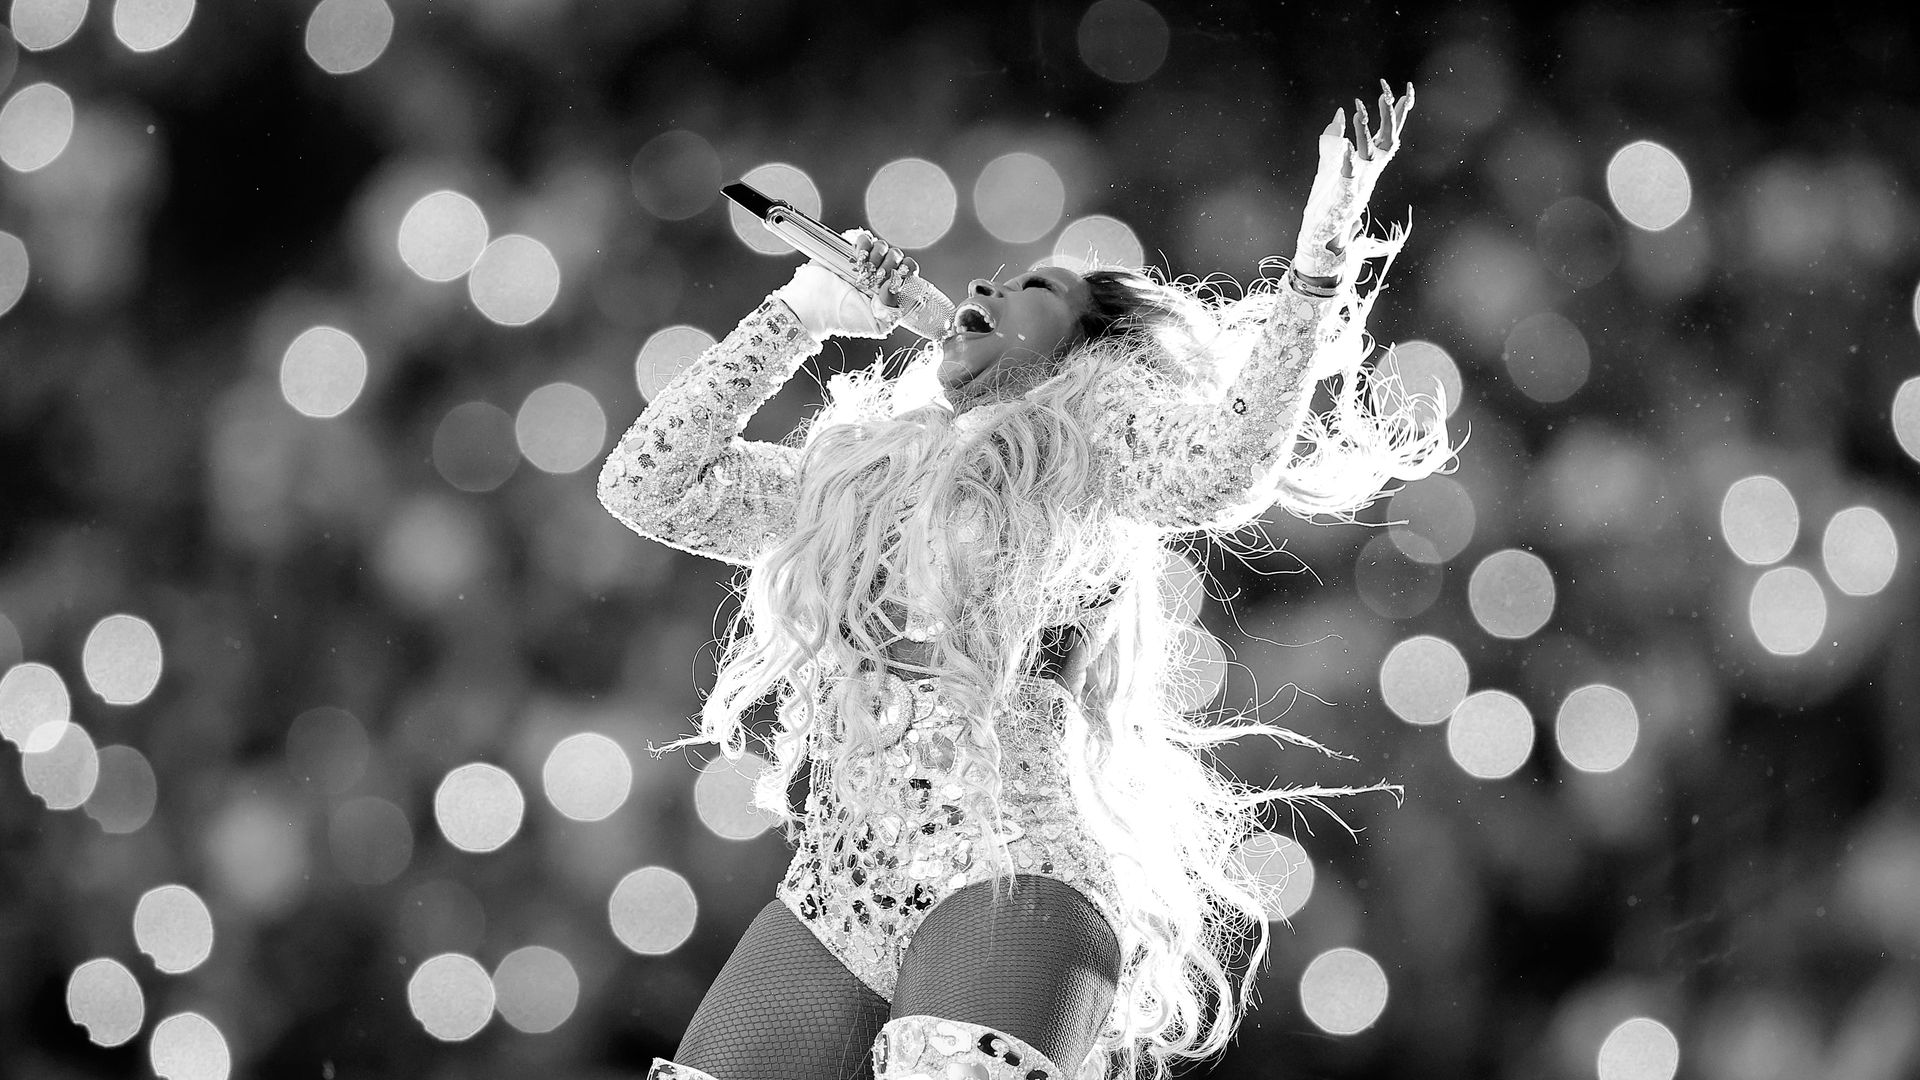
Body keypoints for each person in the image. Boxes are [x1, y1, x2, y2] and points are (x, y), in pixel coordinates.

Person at [600, 83, 1448, 1080]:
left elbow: (1228, 462)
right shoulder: (857, 479)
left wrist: (1326, 235)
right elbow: (647, 487)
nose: (992, 292)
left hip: (1012, 872)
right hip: (840, 892)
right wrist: (797, 314)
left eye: (1035, 294)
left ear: (1087, 362)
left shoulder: (1088, 455)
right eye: (998, 284)